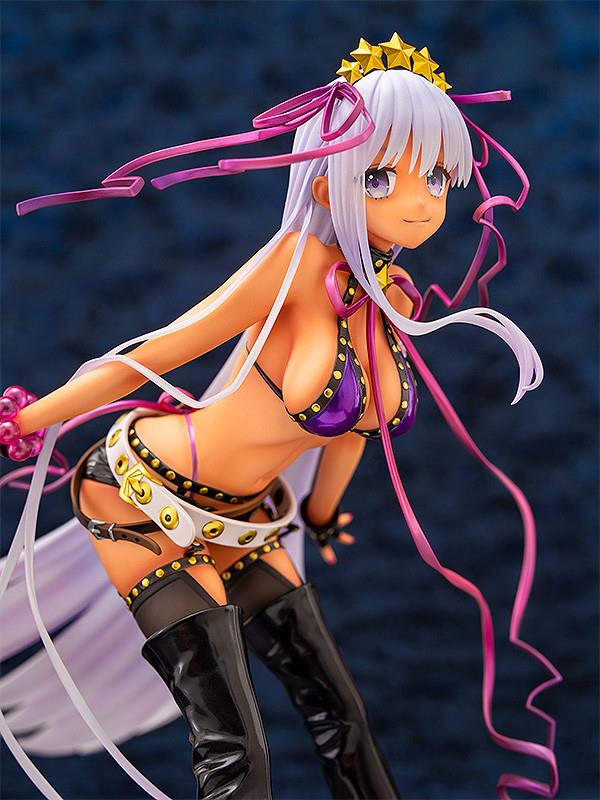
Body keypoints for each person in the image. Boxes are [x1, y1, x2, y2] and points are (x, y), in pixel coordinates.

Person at [0, 33, 561, 800]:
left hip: (248, 520)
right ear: (328, 183)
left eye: (435, 176)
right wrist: (33, 420)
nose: (421, 202)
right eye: (382, 177)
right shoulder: (292, 267)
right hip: (142, 495)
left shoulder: (393, 300)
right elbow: (158, 352)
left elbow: (353, 431)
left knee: (341, 715)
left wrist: (323, 514)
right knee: (236, 751)